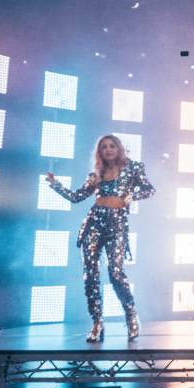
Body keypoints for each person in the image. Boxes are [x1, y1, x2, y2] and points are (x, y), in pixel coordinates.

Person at [46, 134, 155, 342]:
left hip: (116, 225)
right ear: (100, 152)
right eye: (104, 147)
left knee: (116, 273)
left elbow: (150, 190)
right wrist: (55, 184)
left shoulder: (133, 168)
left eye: (112, 146)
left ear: (119, 148)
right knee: (91, 275)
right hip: (94, 224)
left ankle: (131, 316)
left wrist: (132, 196)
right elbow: (76, 197)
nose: (108, 150)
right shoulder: (96, 174)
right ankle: (97, 322)